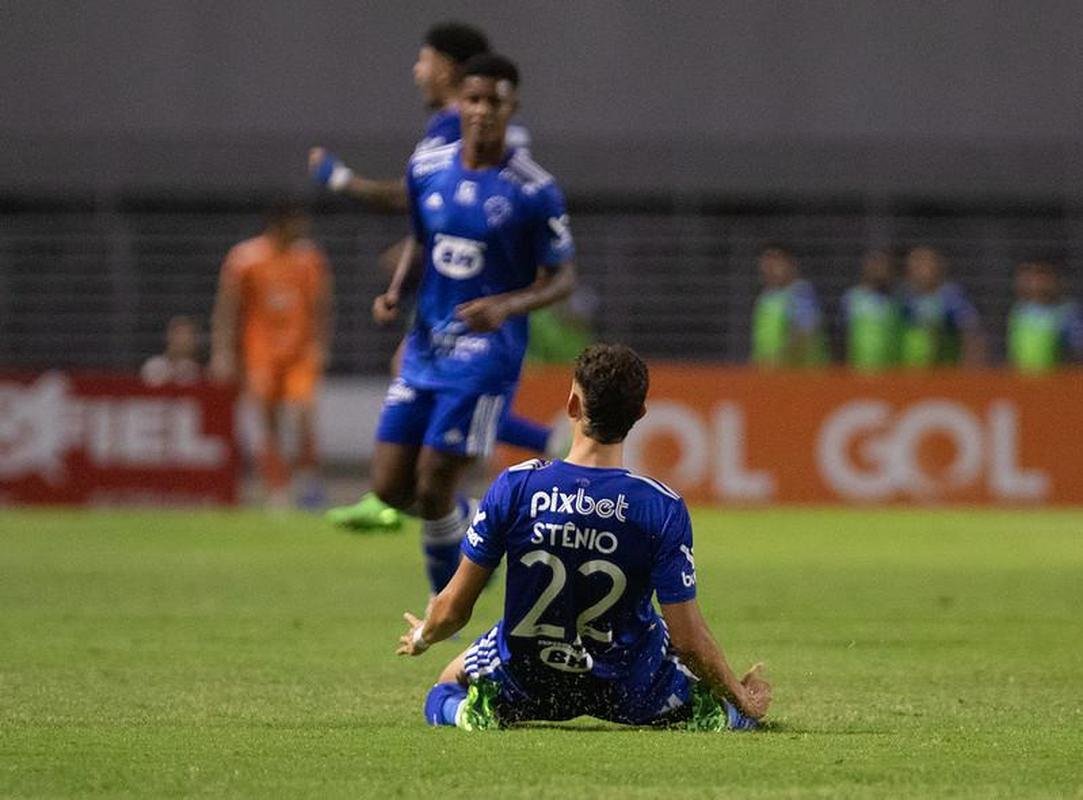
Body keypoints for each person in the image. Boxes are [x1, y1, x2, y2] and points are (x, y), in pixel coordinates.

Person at [396, 343, 772, 731]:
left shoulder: (515, 486)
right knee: (708, 687)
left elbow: (452, 611)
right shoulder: (660, 506)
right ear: (639, 415)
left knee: (445, 688)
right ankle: (722, 716)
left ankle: (469, 713)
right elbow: (689, 640)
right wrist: (741, 698)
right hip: (629, 688)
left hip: (528, 680)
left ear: (573, 405)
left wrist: (423, 635)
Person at [312, 23, 553, 531]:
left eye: (424, 60)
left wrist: (340, 179)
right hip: (449, 290)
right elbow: (436, 215)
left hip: (476, 302)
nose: (417, 71)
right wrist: (409, 263)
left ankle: (467, 493)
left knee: (437, 402)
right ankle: (417, 497)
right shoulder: (463, 129)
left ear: (448, 67)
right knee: (424, 388)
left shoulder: (454, 127)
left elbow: (413, 196)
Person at [370, 53, 577, 600]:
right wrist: (396, 292)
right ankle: (474, 533)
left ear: (512, 108)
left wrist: (507, 306)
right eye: (474, 99)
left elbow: (563, 278)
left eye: (494, 102)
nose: (483, 110)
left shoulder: (533, 189)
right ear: (459, 103)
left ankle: (447, 605)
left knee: (436, 477)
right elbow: (422, 240)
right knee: (389, 487)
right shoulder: (427, 166)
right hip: (426, 346)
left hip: (486, 353)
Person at [210, 202, 333, 508]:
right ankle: (278, 487)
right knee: (269, 420)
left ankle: (308, 479)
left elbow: (321, 306)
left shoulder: (309, 259)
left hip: (299, 351)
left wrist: (321, 344)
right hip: (261, 353)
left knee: (303, 413)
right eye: (296, 223)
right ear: (280, 224)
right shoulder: (245, 259)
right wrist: (223, 351)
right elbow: (228, 308)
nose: (302, 230)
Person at [900, 247, 984, 367]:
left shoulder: (951, 297)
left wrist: (970, 365)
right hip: (908, 371)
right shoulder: (905, 299)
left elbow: (971, 333)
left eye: (924, 264)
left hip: (943, 370)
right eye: (914, 265)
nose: (919, 270)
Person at [751, 245, 827, 367]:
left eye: (775, 263)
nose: (770, 269)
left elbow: (805, 334)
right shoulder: (765, 298)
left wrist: (778, 360)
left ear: (791, 264)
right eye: (766, 265)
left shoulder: (801, 293)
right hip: (768, 375)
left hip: (798, 374)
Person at [1007, 259, 1083, 372]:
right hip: (1021, 380)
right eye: (1031, 275)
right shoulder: (1020, 310)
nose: (1036, 282)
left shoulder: (1068, 313)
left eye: (1042, 275)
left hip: (1057, 380)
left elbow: (1078, 352)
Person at [839, 251, 903, 371]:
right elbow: (842, 335)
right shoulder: (852, 297)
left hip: (891, 370)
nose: (879, 270)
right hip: (859, 369)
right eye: (875, 264)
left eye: (884, 266)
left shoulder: (897, 300)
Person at [141, 315, 203, 386]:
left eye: (190, 335)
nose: (185, 340)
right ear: (169, 336)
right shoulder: (154, 366)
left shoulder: (196, 371)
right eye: (180, 334)